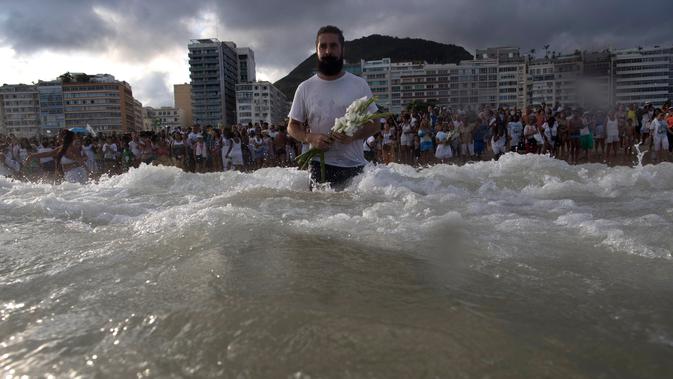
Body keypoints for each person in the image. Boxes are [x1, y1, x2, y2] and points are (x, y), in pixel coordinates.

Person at [287, 25, 379, 189]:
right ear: (317, 50)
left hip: (355, 165)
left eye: (333, 45)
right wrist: (311, 138)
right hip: (319, 166)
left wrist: (354, 135)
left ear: (342, 49)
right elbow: (292, 127)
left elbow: (375, 124)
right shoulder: (304, 88)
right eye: (323, 46)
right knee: (320, 214)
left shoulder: (359, 85)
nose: (328, 51)